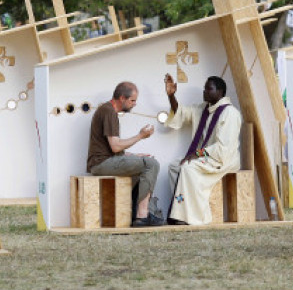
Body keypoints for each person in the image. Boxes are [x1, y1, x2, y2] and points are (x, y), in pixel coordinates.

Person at [164, 73, 242, 225]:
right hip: (206, 156)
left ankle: (191, 217)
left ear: (220, 92)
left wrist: (197, 154)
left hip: (223, 158)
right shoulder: (203, 109)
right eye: (204, 89)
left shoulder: (230, 113)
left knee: (188, 168)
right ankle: (179, 211)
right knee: (175, 166)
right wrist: (171, 96)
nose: (204, 92)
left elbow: (223, 148)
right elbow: (181, 112)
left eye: (209, 89)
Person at [86, 81, 164, 227]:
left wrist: (132, 156)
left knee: (146, 161)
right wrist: (140, 135)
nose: (134, 104)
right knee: (152, 164)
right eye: (132, 100)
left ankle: (135, 212)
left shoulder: (106, 110)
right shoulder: (109, 112)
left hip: (102, 161)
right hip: (101, 164)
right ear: (122, 98)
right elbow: (115, 147)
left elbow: (111, 147)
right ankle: (142, 216)